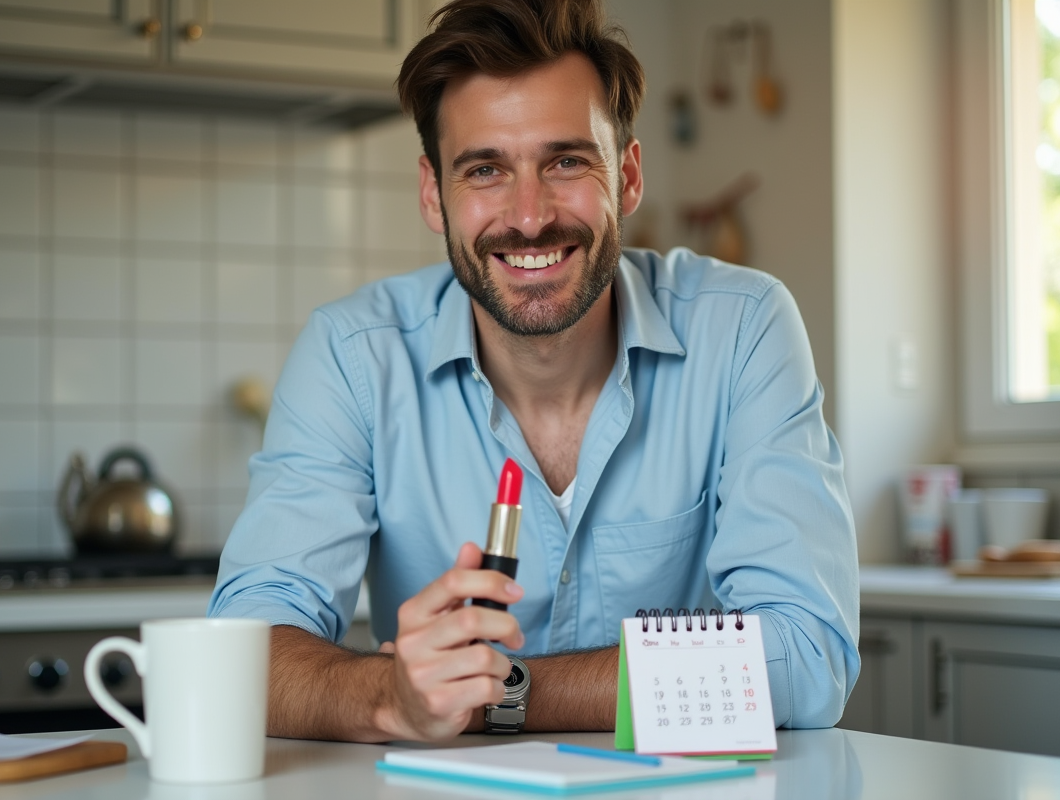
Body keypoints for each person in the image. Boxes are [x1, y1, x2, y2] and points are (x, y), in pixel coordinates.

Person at [209, 0, 859, 743]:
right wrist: (390, 697)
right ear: (433, 194)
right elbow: (244, 656)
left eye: (567, 162)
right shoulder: (352, 357)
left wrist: (493, 694)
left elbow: (808, 658)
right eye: (484, 170)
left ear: (629, 177)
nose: (527, 216)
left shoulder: (743, 329)